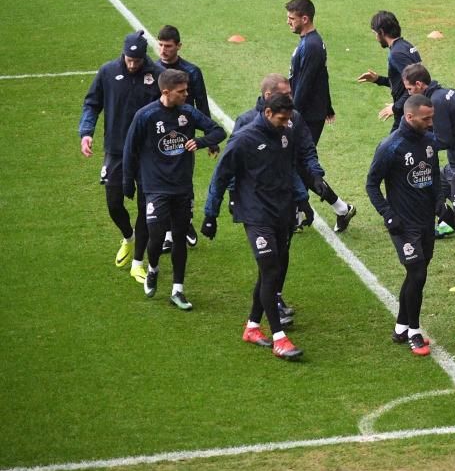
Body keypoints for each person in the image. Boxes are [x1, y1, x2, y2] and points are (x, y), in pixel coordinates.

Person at [202, 93, 341, 360]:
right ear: (267, 113)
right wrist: (211, 214)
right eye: (282, 118)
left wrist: (305, 198)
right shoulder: (244, 139)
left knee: (273, 271)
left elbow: (292, 168)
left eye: (289, 118)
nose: (286, 122)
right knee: (270, 268)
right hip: (256, 214)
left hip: (282, 211)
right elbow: (221, 175)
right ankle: (279, 338)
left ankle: (253, 327)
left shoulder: (285, 134)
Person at [234, 74, 356, 324]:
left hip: (284, 200)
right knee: (268, 259)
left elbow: (306, 150)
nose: (291, 98)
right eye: (287, 94)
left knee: (281, 253)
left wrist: (316, 177)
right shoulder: (246, 123)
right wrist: (232, 200)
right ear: (269, 97)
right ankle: (271, 322)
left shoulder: (294, 118)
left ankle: (272, 300)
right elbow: (231, 166)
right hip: (257, 205)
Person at [122, 69, 226, 310]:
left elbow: (218, 131)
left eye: (187, 90)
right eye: (182, 92)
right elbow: (130, 148)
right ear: (166, 92)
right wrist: (128, 181)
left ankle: (178, 289)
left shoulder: (188, 112)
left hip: (182, 187)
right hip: (155, 187)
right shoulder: (146, 116)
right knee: (156, 235)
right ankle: (153, 268)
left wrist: (199, 142)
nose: (186, 94)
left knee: (179, 236)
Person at [79, 30, 163, 282]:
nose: (133, 64)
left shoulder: (156, 75)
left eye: (137, 61)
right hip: (116, 150)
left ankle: (138, 262)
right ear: (123, 54)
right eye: (129, 60)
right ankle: (128, 237)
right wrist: (86, 132)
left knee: (145, 207)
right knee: (114, 202)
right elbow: (92, 103)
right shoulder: (107, 72)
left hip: (148, 153)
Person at [401, 64, 455, 293]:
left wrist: (417, 144)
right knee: (434, 192)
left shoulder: (436, 102)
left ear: (419, 85)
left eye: (409, 89)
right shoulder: (447, 92)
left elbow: (444, 140)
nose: (409, 93)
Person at [366, 94, 439, 356]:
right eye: (426, 118)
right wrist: (387, 214)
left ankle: (400, 326)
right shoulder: (391, 146)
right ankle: (414, 331)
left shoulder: (429, 141)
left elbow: (434, 175)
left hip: (426, 221)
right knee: (417, 273)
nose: (431, 122)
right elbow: (371, 184)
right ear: (409, 117)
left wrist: (440, 202)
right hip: (403, 224)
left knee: (416, 275)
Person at [156, 24, 213, 251]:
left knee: (183, 180)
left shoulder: (192, 71)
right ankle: (171, 232)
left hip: (185, 136)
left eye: (168, 46)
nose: (163, 50)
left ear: (178, 46)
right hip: (159, 136)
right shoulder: (152, 71)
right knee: (163, 181)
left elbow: (202, 103)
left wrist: (210, 138)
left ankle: (185, 222)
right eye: (160, 45)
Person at [357, 11, 422, 131]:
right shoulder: (406, 46)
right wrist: (378, 79)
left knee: (391, 148)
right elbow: (404, 82)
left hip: (408, 114)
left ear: (381, 32)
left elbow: (415, 86)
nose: (376, 38)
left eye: (375, 33)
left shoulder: (396, 54)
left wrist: (395, 107)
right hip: (413, 110)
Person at [286, 0, 335, 144]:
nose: (288, 22)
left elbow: (304, 84)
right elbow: (322, 76)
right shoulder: (309, 41)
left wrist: (292, 115)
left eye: (292, 18)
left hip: (308, 115)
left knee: (300, 160)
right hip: (310, 112)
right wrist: (328, 106)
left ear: (305, 19)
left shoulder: (311, 46)